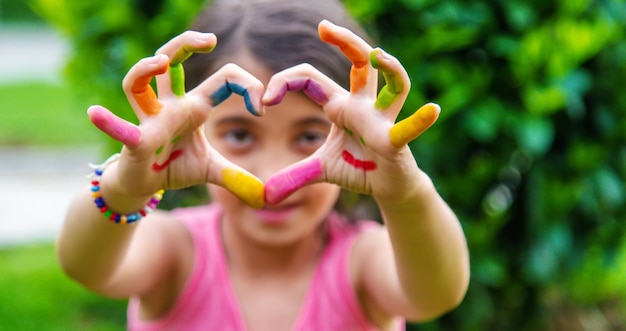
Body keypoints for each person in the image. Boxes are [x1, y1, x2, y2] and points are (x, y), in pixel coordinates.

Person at [57, 0, 470, 330]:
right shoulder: (176, 252)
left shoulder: (361, 262)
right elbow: (85, 265)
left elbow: (436, 294)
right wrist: (125, 187)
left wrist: (406, 193)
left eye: (309, 136)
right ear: (195, 130)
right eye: (240, 134)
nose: (272, 172)